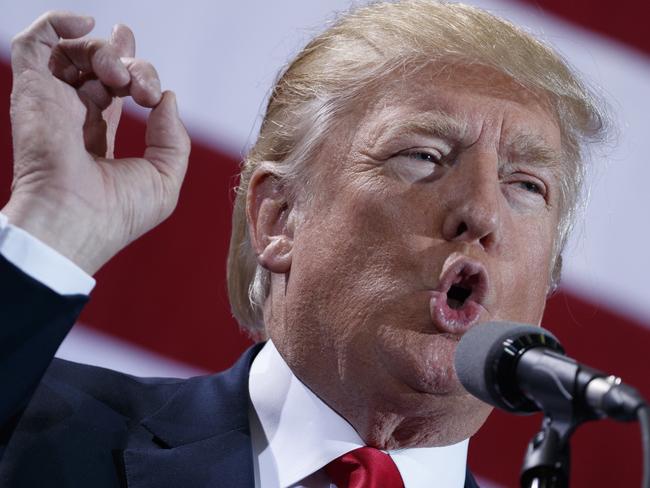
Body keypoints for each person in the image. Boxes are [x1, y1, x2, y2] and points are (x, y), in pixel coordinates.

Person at [0, 1, 606, 487]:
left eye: (526, 184)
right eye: (422, 156)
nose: (479, 212)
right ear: (280, 217)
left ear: (549, 272)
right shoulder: (39, 431)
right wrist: (52, 226)